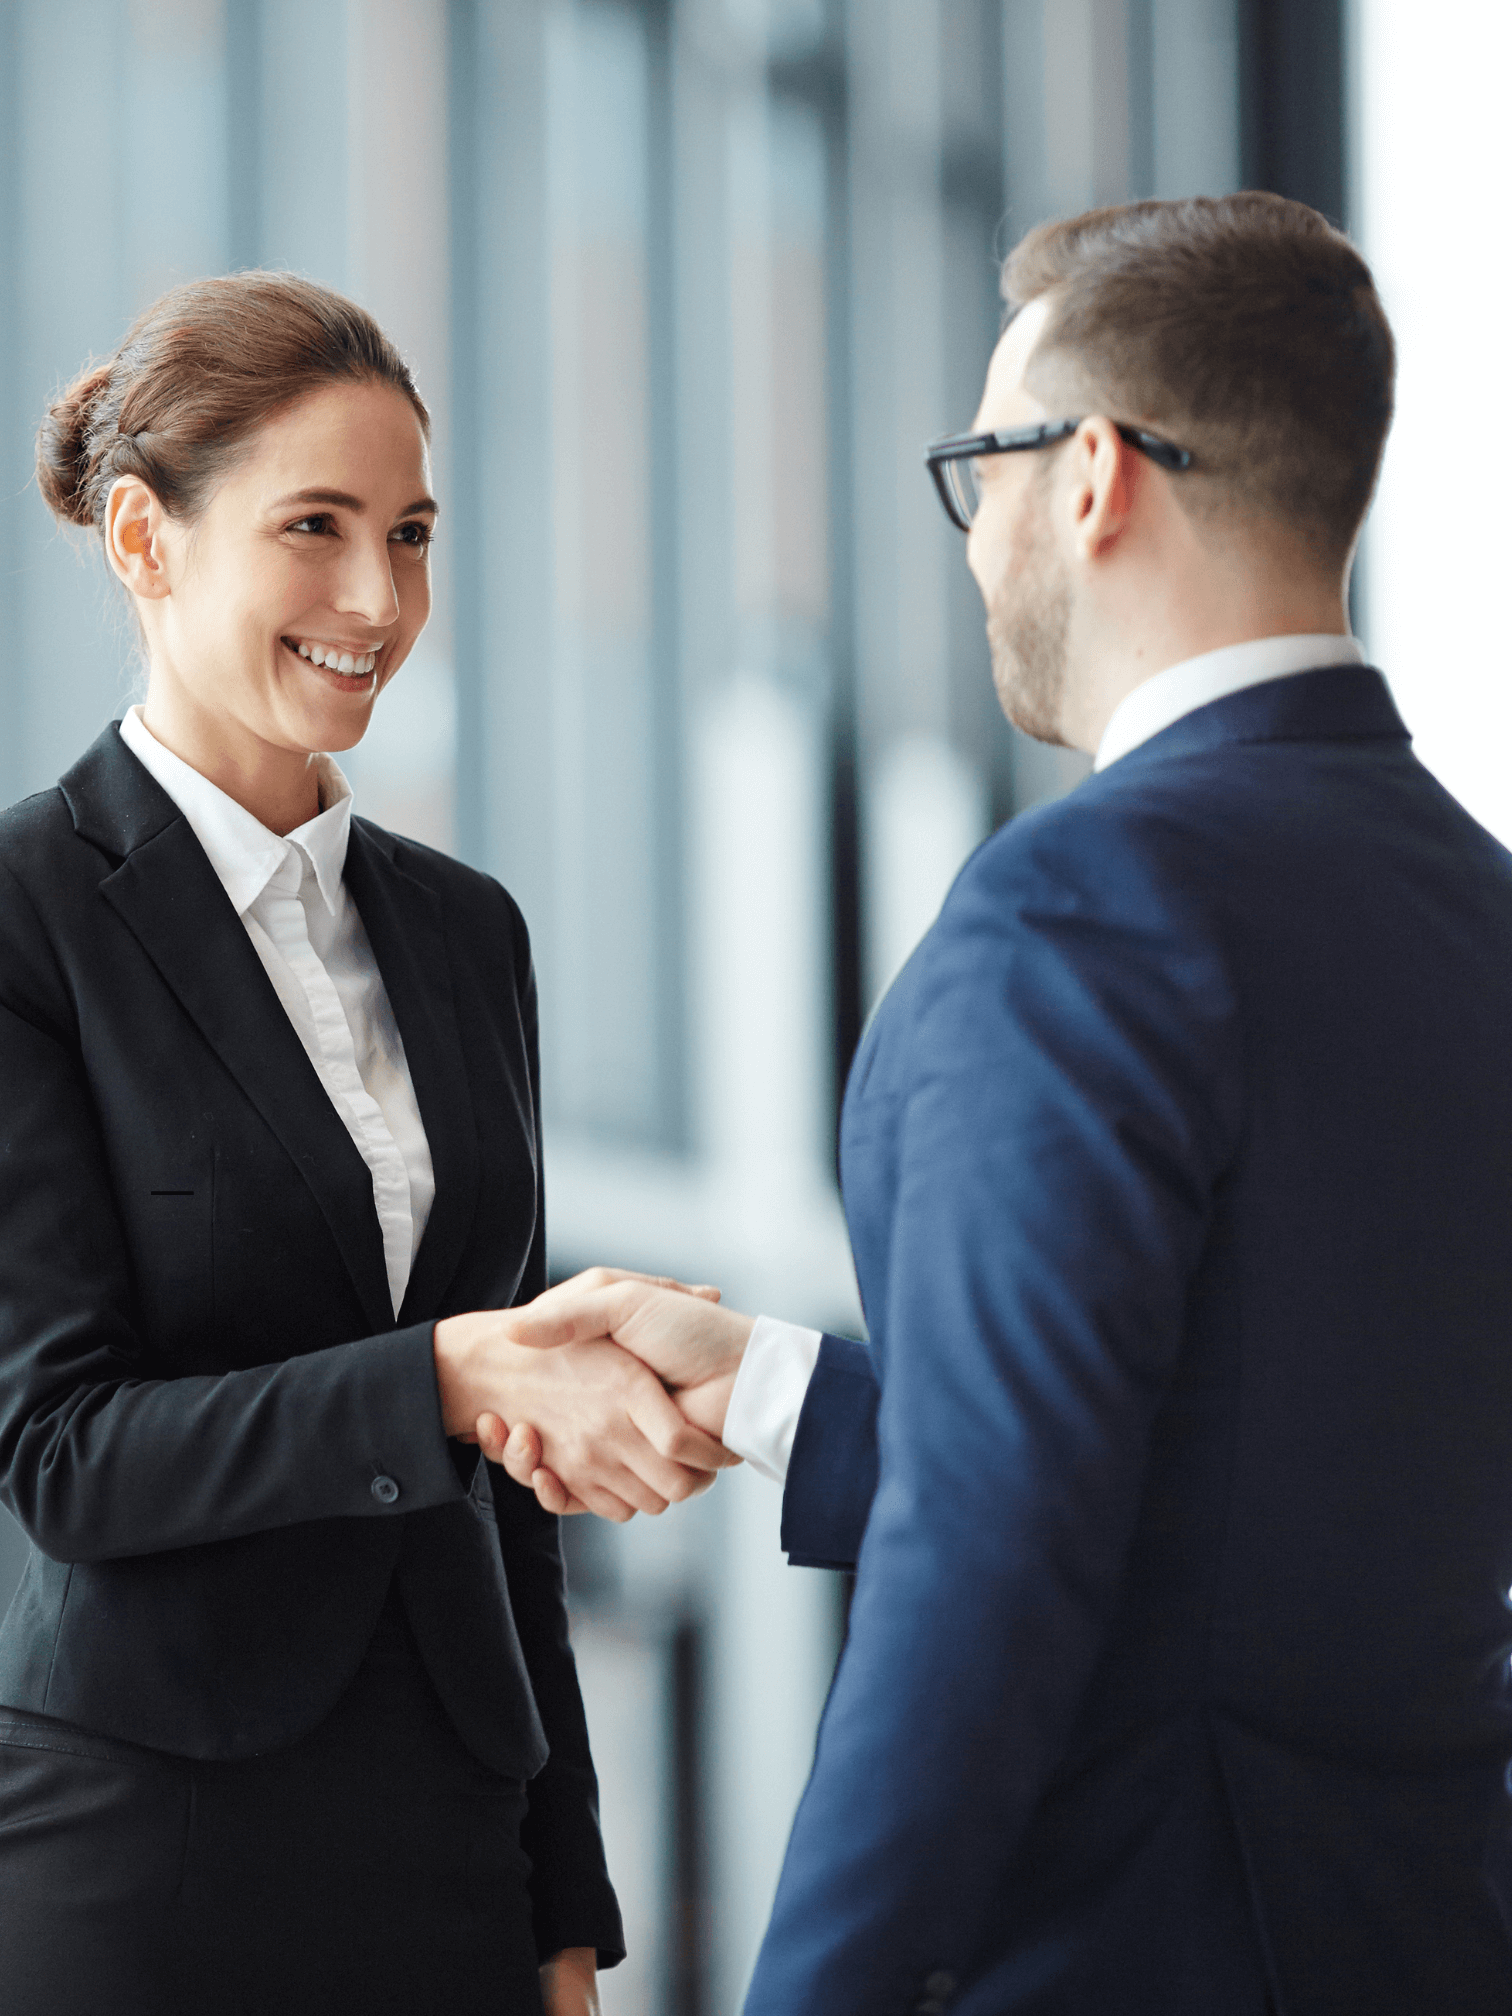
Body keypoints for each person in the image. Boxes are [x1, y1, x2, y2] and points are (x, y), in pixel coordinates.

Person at [490, 194, 1512, 2013]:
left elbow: (989, 1593)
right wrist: (786, 1394)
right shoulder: (1475, 913)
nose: (976, 550)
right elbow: (1233, 1502)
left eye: (987, 469)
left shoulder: (1079, 916)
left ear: (1097, 474)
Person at [0, 272, 732, 2016]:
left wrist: (568, 1898)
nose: (374, 598)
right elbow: (61, 1452)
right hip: (147, 1851)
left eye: (408, 535)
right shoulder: (28, 919)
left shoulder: (467, 932)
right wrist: (450, 1378)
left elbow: (519, 1493)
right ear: (142, 540)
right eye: (311, 528)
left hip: (453, 1846)